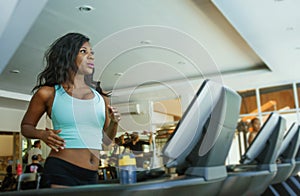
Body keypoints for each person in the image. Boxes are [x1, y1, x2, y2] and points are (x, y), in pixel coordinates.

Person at [21, 32, 121, 188]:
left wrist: (114, 123)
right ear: (68, 55)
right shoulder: (49, 93)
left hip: (92, 174)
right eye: (83, 51)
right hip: (61, 169)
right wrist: (42, 134)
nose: (91, 56)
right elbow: (26, 127)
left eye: (91, 53)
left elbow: (106, 143)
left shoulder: (101, 98)